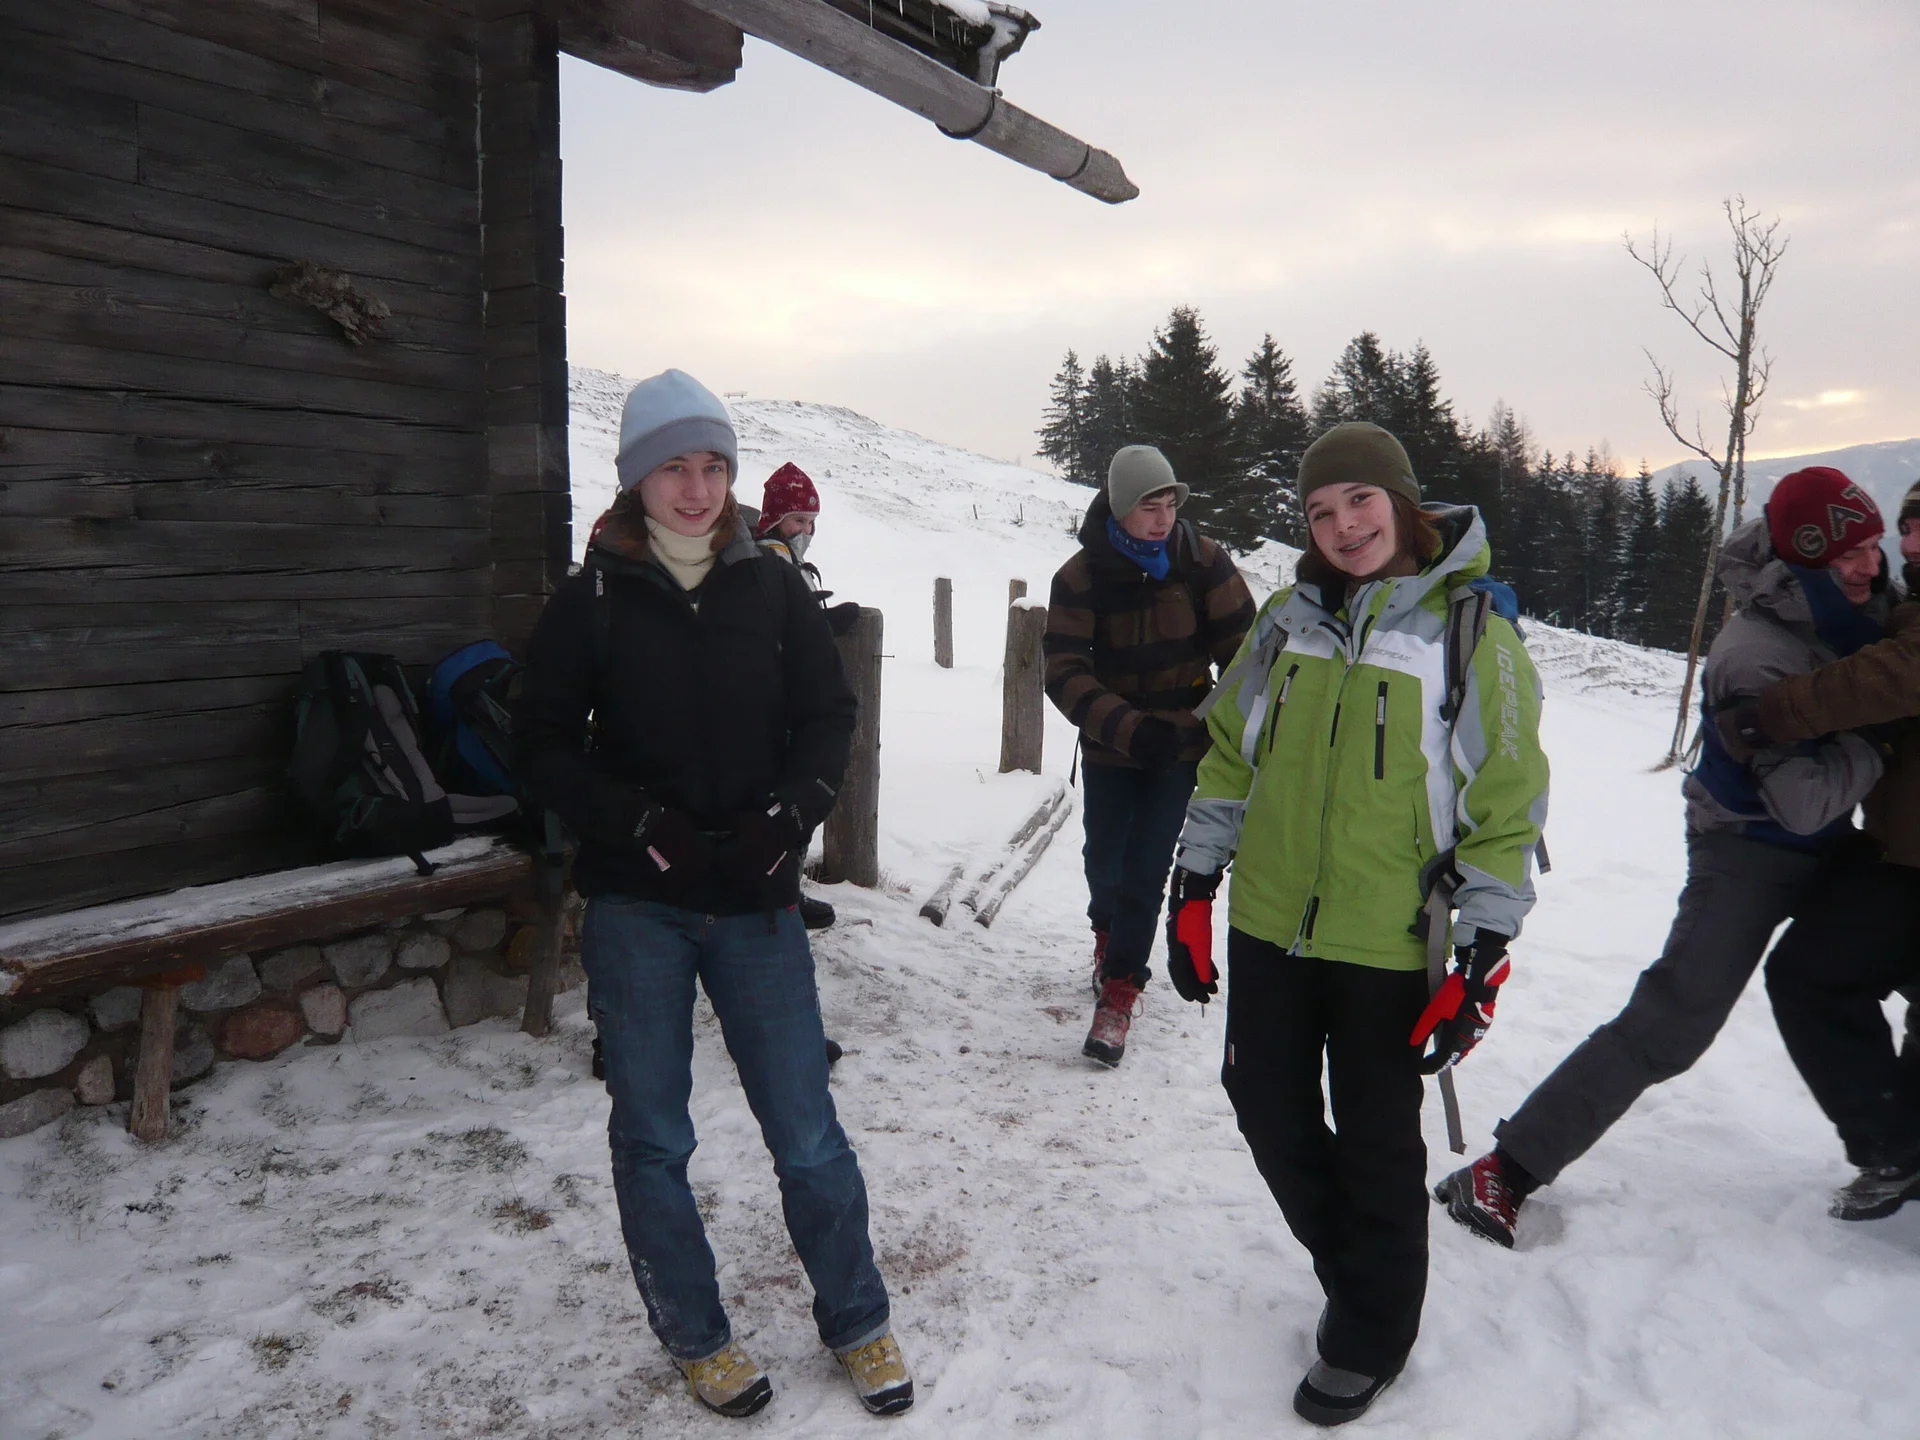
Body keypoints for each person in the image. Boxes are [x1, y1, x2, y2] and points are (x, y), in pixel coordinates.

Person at [517, 370, 910, 1420]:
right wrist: (635, 827)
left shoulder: (771, 586)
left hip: (756, 899)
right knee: (652, 1134)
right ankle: (696, 1334)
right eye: (673, 466)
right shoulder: (591, 596)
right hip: (636, 906)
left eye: (713, 466)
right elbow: (541, 747)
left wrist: (792, 817)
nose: (696, 489)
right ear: (636, 476)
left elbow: (828, 716)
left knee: (807, 1127)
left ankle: (859, 1319)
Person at [1163, 421, 1549, 1425]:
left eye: (1361, 502)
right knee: (1263, 1104)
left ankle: (1373, 1327)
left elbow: (1504, 805)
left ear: (1404, 503)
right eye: (1322, 511)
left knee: (1378, 1141)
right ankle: (1360, 1268)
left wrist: (1485, 950)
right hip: (1272, 926)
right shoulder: (1285, 622)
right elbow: (1230, 760)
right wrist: (1194, 887)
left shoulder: (1472, 635)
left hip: (1389, 943)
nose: (1343, 525)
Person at [1435, 465, 1889, 1251]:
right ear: (1805, 560)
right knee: (1673, 1020)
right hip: (1747, 849)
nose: (1871, 565)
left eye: (1876, 545)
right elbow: (1802, 800)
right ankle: (1504, 1172)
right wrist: (1884, 735)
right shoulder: (1755, 652)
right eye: (1851, 553)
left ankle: (1899, 1150)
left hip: (1827, 844)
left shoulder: (1856, 613)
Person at [1724, 478, 1920, 1220]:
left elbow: (1898, 674)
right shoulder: (1899, 609)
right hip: (1902, 862)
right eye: (1901, 530)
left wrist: (1772, 715)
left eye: (1913, 533)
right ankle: (1896, 1147)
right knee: (1810, 973)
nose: (1904, 549)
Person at [1042, 443, 1255, 1067]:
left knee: (1146, 868)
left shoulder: (1201, 561)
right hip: (1113, 749)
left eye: (1169, 503)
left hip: (1181, 751)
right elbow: (1064, 671)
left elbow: (1245, 654)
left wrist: (1211, 721)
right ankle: (1107, 937)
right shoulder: (1080, 577)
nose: (1162, 518)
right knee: (1103, 858)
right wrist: (1130, 728)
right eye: (1147, 505)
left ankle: (1121, 989)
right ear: (1118, 507)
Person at [751, 461, 858, 935]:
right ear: (775, 520)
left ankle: (784, 885)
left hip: (795, 707)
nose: (806, 531)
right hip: (773, 711)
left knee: (803, 796)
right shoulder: (763, 562)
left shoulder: (787, 563)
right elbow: (768, 633)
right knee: (789, 800)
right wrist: (824, 627)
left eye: (811, 523)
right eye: (798, 521)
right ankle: (777, 890)